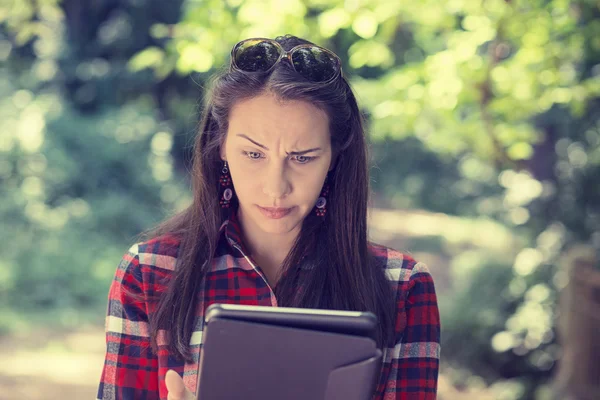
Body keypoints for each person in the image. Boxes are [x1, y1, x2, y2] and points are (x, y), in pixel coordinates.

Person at [97, 35, 441, 400]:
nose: (276, 187)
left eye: (303, 157)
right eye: (253, 154)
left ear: (335, 158)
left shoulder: (402, 287)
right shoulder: (150, 272)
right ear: (221, 147)